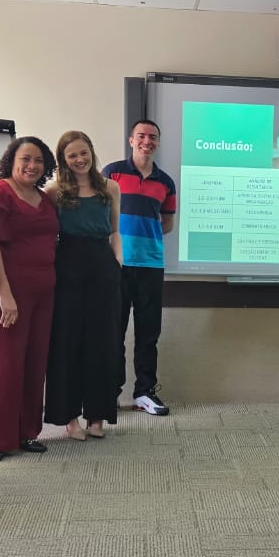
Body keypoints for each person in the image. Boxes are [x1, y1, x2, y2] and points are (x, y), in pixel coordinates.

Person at [0, 136, 59, 461]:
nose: (32, 165)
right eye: (25, 158)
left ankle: (26, 432)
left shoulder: (43, 198)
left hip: (42, 291)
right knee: (3, 365)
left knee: (33, 363)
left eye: (38, 160)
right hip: (5, 291)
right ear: (12, 159)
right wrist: (5, 295)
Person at [45, 131, 123, 440]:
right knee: (67, 341)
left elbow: (115, 230)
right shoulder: (54, 191)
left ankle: (97, 415)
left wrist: (117, 260)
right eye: (72, 155)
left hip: (103, 266)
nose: (79, 160)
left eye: (83, 153)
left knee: (102, 340)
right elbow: (49, 236)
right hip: (68, 266)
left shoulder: (111, 187)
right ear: (63, 160)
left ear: (91, 152)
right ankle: (69, 418)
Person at [103, 120, 176, 416]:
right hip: (116, 263)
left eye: (153, 137)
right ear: (131, 139)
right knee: (113, 331)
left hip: (150, 266)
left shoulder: (166, 182)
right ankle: (109, 391)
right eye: (142, 136)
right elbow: (99, 213)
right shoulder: (112, 172)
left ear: (157, 142)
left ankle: (144, 392)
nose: (147, 141)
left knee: (148, 333)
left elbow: (167, 223)